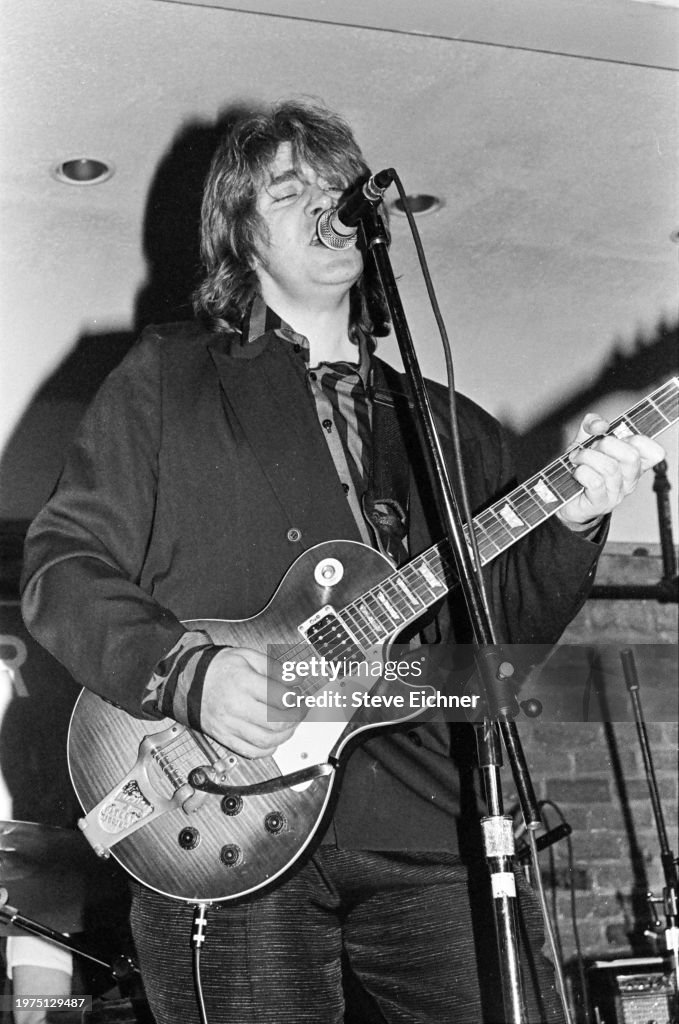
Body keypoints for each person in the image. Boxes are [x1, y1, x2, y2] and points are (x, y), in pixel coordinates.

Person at [21, 100, 664, 1024]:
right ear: (239, 236)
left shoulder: (447, 425)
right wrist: (187, 675)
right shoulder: (168, 377)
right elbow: (63, 562)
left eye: (339, 188)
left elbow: (496, 644)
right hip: (224, 810)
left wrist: (575, 521)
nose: (328, 205)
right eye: (291, 192)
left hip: (429, 815)